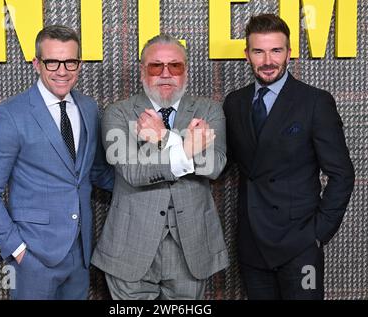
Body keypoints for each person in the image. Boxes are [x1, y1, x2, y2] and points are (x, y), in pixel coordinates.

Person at [0, 25, 113, 300]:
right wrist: (19, 250)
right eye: (52, 62)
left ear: (79, 64)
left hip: (81, 253)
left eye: (70, 61)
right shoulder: (9, 115)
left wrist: (153, 181)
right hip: (33, 258)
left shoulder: (88, 107)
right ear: (37, 63)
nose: (62, 70)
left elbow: (94, 172)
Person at [223, 14, 355, 299]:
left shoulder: (315, 102)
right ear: (247, 55)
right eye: (259, 51)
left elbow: (342, 174)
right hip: (252, 244)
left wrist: (318, 233)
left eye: (276, 50)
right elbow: (225, 164)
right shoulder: (234, 102)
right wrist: (182, 146)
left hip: (300, 246)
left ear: (289, 53)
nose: (268, 60)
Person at [91, 34, 229, 300]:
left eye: (175, 66)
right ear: (143, 70)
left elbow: (215, 165)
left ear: (185, 70)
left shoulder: (208, 110)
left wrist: (164, 138)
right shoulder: (118, 113)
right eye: (156, 66)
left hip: (191, 248)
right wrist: (188, 147)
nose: (166, 74)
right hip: (131, 247)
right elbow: (133, 171)